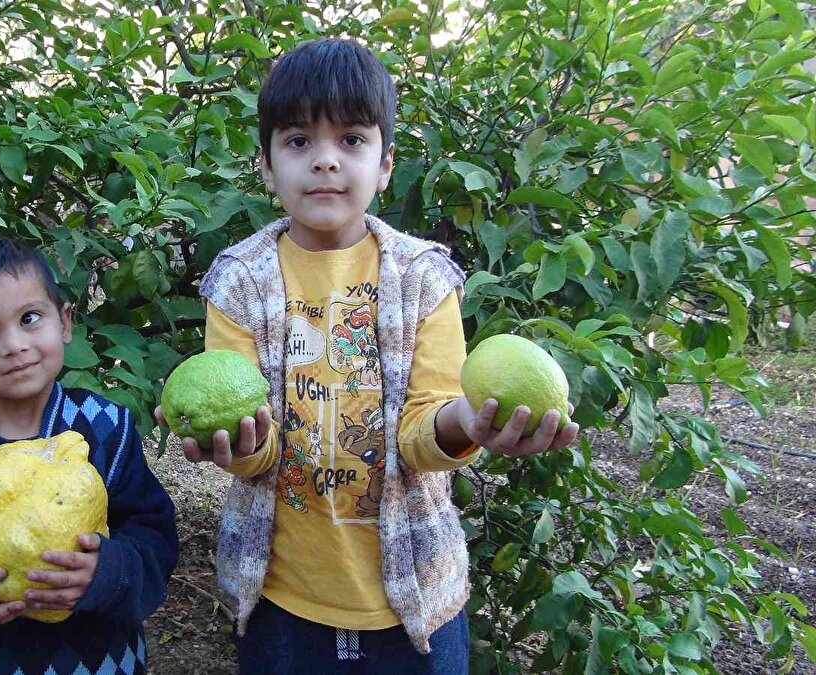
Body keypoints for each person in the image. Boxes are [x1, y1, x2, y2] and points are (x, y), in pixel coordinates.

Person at [155, 38, 579, 673]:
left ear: (385, 165)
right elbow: (254, 439)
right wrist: (239, 447)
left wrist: (469, 422)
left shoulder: (423, 278)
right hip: (282, 598)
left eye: (351, 139)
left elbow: (421, 433)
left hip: (415, 596)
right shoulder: (239, 281)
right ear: (267, 168)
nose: (325, 161)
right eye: (298, 142)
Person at [0, 235, 178, 675]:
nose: (13, 345)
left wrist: (107, 573)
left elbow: (154, 537)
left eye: (29, 318)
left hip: (99, 662)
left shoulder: (104, 428)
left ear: (63, 323)